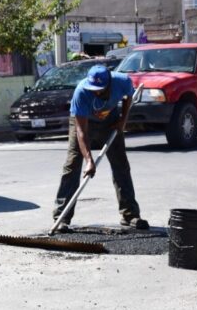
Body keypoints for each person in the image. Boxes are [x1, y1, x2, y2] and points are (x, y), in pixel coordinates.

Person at [52, 64, 149, 232]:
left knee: (121, 165)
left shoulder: (122, 81)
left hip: (110, 119)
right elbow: (81, 132)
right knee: (73, 164)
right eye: (93, 88)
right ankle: (62, 217)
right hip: (83, 121)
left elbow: (128, 97)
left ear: (109, 83)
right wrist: (89, 161)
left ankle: (130, 215)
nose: (96, 92)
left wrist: (123, 120)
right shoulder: (81, 92)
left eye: (100, 89)